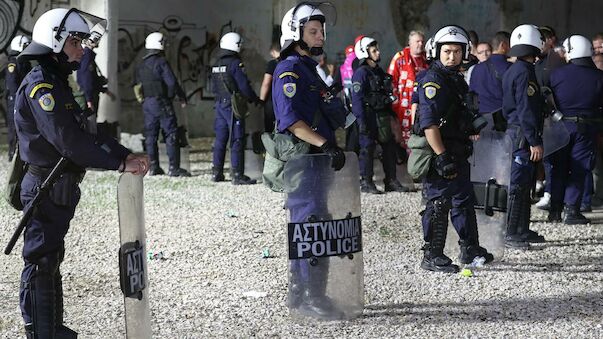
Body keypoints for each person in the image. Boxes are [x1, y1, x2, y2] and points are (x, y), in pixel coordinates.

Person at [13, 8, 149, 338]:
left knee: (50, 257)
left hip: (56, 184)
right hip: (46, 185)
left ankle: (52, 328)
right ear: (56, 40)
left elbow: (84, 134)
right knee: (41, 261)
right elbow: (70, 142)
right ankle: (42, 332)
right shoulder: (41, 86)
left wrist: (124, 154)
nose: (82, 48)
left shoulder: (57, 81)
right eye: (76, 41)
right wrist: (119, 163)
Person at [273, 2, 348, 318]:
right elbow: (290, 119)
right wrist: (325, 145)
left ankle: (300, 291)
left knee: (311, 222)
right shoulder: (289, 69)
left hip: (317, 160)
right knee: (311, 225)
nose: (320, 36)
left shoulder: (312, 70)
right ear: (295, 33)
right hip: (305, 160)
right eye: (313, 31)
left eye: (321, 31)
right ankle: (310, 297)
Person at [415, 25, 493, 273]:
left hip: (457, 149)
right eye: (447, 51)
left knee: (463, 199)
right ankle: (432, 254)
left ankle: (469, 248)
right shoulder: (433, 80)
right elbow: (428, 123)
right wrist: (441, 155)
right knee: (438, 201)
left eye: (457, 51)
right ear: (437, 52)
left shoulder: (456, 79)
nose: (452, 56)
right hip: (440, 151)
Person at [547, 35, 603, 224]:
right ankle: (572, 210)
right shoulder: (599, 77)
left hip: (560, 126)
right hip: (586, 128)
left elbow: (547, 99)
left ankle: (554, 210)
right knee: (579, 169)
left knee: (558, 168)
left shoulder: (556, 74)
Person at [502, 24, 546, 248]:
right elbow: (526, 109)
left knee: (525, 182)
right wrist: (535, 141)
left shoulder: (515, 70)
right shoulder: (525, 73)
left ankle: (522, 229)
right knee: (518, 184)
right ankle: (511, 232)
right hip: (522, 135)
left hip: (517, 133)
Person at [351, 36, 408, 194]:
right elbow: (356, 99)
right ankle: (366, 181)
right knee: (367, 149)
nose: (378, 52)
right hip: (368, 116)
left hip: (382, 116)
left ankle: (391, 180)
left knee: (389, 147)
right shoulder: (361, 73)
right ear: (364, 52)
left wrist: (392, 115)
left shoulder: (378, 71)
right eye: (374, 50)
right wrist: (361, 120)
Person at [136, 31, 190, 177]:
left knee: (151, 136)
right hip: (161, 102)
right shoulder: (161, 62)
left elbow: (137, 85)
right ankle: (174, 168)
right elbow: (171, 82)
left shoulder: (142, 64)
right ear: (160, 45)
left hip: (147, 103)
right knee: (171, 133)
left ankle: (153, 167)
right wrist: (178, 97)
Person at [210, 32, 260, 185]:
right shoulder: (234, 63)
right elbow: (243, 86)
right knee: (237, 138)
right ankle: (237, 174)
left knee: (220, 139)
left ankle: (217, 172)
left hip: (219, 104)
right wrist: (254, 99)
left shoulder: (216, 64)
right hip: (232, 105)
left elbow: (212, 86)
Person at [388, 30, 428, 151]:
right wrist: (395, 104)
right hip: (404, 108)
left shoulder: (427, 59)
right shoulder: (399, 58)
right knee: (404, 139)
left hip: (423, 105)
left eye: (422, 41)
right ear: (409, 42)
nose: (420, 44)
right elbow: (391, 82)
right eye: (417, 41)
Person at [469, 31, 512, 120]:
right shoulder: (509, 68)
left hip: (481, 120)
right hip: (502, 120)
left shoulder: (476, 69)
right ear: (503, 45)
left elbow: (471, 96)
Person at [76, 26, 114, 120]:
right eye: (96, 39)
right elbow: (86, 78)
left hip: (89, 95)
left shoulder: (88, 55)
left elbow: (92, 78)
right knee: (90, 123)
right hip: (88, 96)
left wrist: (104, 90)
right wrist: (89, 100)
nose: (98, 41)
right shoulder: (87, 55)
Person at [4, 35, 32, 161]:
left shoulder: (24, 62)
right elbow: (12, 84)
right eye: (25, 46)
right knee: (14, 126)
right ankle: (12, 152)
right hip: (15, 100)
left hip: (24, 99)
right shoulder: (13, 63)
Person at [259, 42, 280, 132]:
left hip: (272, 101)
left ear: (273, 51)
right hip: (286, 100)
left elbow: (266, 83)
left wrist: (261, 100)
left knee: (270, 127)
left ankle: (271, 145)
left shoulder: (272, 64)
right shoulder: (290, 62)